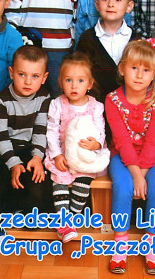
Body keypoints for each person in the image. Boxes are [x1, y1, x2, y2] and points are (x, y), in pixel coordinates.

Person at [105, 38, 155, 275]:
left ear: (154, 74)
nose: (140, 75)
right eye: (134, 68)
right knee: (122, 187)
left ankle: (153, 243)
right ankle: (120, 243)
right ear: (122, 68)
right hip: (122, 155)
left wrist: (141, 175)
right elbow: (121, 140)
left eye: (146, 70)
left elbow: (154, 139)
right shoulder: (112, 99)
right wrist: (135, 174)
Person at [45, 52, 106, 242]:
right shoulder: (57, 104)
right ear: (61, 82)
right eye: (68, 80)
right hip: (63, 155)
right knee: (59, 181)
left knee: (83, 182)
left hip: (84, 155)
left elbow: (101, 132)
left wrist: (96, 144)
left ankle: (72, 218)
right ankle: (64, 222)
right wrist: (56, 155)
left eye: (80, 80)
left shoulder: (95, 106)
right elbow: (51, 131)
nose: (74, 85)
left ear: (89, 84)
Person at [0, 45, 51, 215]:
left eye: (35, 76)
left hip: (30, 150)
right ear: (11, 73)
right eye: (22, 74)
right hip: (5, 151)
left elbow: (40, 131)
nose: (28, 82)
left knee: (38, 186)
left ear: (44, 78)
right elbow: (1, 139)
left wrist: (37, 158)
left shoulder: (44, 97)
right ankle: (6, 212)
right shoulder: (1, 101)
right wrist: (13, 163)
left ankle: (28, 213)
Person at [76, 0, 140, 104]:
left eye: (118, 0)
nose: (111, 4)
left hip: (128, 107)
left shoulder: (136, 40)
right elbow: (79, 75)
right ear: (97, 5)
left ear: (129, 6)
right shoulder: (87, 39)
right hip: (94, 107)